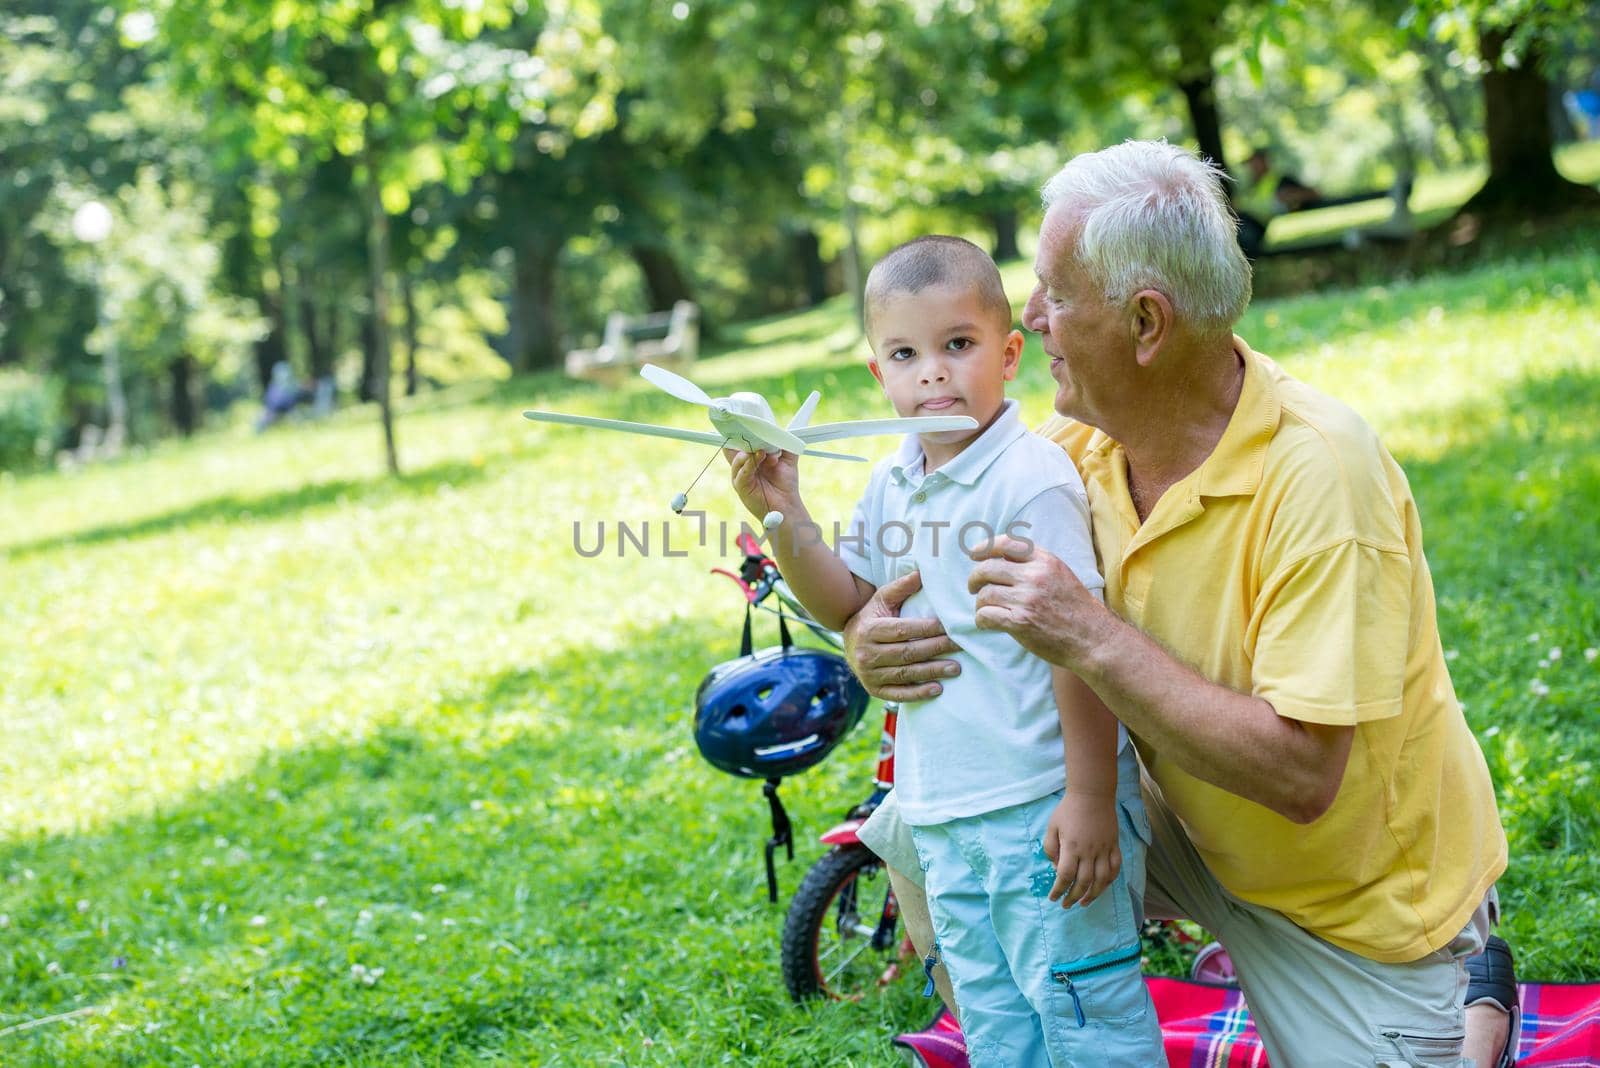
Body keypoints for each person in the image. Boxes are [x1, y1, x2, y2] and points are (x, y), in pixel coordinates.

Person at [847, 142, 1518, 1068]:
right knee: (924, 833)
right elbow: (918, 580)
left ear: (1146, 324)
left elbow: (1301, 778)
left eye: (1055, 292)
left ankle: (1477, 992)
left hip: (1347, 898)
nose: (1031, 317)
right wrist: (862, 637)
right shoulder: (1072, 446)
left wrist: (1089, 637)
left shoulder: (1322, 476)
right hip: (1169, 811)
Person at [725, 236, 1164, 1066]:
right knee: (996, 1023)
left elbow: (1077, 646)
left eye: (956, 346)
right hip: (944, 813)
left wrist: (1091, 796)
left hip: (1041, 809)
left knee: (1084, 1018)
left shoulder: (1028, 479)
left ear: (1007, 356)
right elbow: (850, 601)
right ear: (878, 375)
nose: (932, 372)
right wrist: (780, 514)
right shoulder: (892, 481)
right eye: (906, 354)